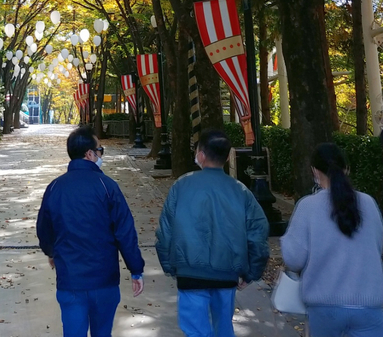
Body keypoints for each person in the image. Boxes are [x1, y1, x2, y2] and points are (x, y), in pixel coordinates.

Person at [155, 129, 269, 337]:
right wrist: (251, 272)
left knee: (196, 331)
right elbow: (258, 233)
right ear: (227, 157)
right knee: (223, 328)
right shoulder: (240, 190)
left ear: (200, 154)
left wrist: (171, 266)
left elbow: (165, 233)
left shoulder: (182, 186)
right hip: (227, 272)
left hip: (190, 272)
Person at [36, 125, 145, 337]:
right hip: (104, 280)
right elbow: (125, 233)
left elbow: (44, 228)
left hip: (70, 280)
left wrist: (51, 252)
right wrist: (136, 269)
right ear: (89, 154)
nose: (101, 154)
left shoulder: (55, 187)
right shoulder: (108, 186)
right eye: (100, 150)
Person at [281, 143, 383, 337]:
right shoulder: (369, 203)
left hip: (324, 307)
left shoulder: (308, 206)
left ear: (314, 171)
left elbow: (293, 258)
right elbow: (378, 246)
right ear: (347, 169)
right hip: (369, 306)